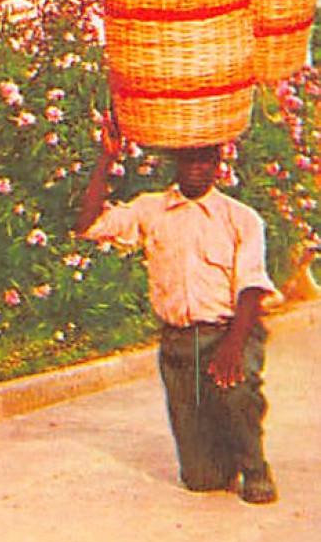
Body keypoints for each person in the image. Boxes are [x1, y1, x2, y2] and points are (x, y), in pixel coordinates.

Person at [77, 119, 278, 504]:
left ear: (219, 164)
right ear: (175, 163)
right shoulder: (151, 209)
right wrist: (106, 159)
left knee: (236, 390)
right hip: (179, 343)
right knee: (202, 479)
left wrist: (233, 348)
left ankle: (254, 465)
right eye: (188, 161)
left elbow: (252, 287)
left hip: (228, 333)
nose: (196, 169)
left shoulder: (240, 218)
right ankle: (220, 454)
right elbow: (89, 226)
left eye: (206, 161)